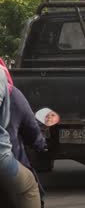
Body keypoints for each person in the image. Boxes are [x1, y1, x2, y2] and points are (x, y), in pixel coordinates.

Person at [0, 70, 41, 208]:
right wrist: (40, 144)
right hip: (3, 161)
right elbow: (32, 129)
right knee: (29, 186)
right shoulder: (13, 94)